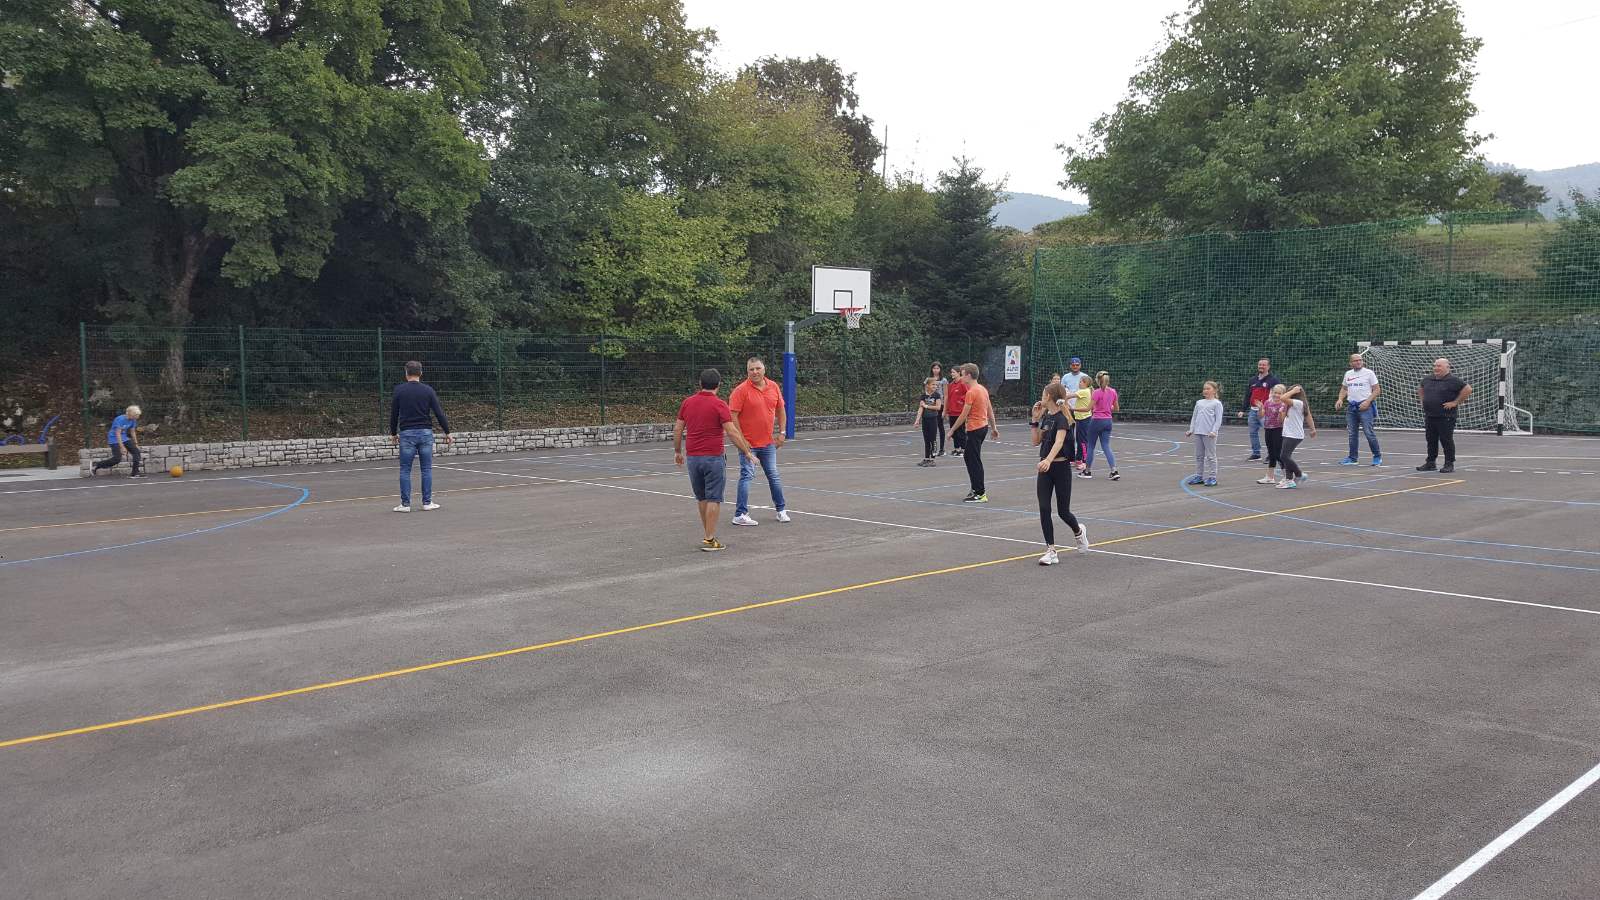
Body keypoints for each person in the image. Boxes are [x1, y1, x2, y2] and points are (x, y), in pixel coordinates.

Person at [675, 368, 758, 552]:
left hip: (693, 457)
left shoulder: (687, 403)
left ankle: (708, 534)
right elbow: (732, 432)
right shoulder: (719, 405)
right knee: (714, 498)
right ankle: (709, 538)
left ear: (700, 383)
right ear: (719, 385)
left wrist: (677, 451)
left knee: (702, 497)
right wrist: (746, 452)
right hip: (713, 457)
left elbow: (678, 428)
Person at [728, 357, 790, 526]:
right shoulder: (741, 390)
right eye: (751, 369)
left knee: (774, 476)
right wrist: (742, 440)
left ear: (764, 369)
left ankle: (781, 510)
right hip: (748, 445)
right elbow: (733, 416)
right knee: (747, 476)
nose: (754, 372)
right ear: (747, 371)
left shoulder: (773, 387)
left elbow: (781, 410)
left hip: (768, 443)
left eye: (757, 368)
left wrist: (782, 433)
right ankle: (740, 514)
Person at [1032, 382, 1089, 565]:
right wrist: (1034, 420)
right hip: (1045, 470)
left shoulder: (1062, 419)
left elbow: (1059, 442)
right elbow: (1035, 441)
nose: (1041, 397)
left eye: (1043, 394)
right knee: (1044, 508)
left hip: (1060, 468)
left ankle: (1079, 532)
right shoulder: (1046, 417)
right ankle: (1051, 550)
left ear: (1049, 396)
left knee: (1063, 512)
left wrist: (1048, 460)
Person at [389, 360, 453, 512]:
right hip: (425, 433)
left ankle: (405, 504)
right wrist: (447, 431)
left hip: (407, 433)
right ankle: (427, 502)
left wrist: (393, 433)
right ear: (421, 373)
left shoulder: (399, 391)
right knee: (426, 469)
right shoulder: (428, 390)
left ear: (406, 373)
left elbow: (394, 414)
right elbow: (439, 412)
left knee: (405, 470)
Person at [949, 363, 999, 502]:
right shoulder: (982, 389)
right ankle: (976, 488)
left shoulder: (971, 392)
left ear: (968, 375)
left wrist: (951, 430)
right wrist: (994, 427)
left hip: (975, 429)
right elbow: (989, 410)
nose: (961, 376)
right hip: (982, 427)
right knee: (970, 457)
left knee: (974, 460)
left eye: (962, 374)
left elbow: (963, 415)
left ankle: (980, 493)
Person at [1416, 357, 1471, 474]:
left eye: (1439, 366)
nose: (1436, 368)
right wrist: (1422, 400)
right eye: (1435, 366)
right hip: (1430, 415)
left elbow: (1467, 389)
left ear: (1447, 367)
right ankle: (1430, 463)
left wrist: (1455, 402)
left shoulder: (1454, 380)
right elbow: (1421, 388)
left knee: (1446, 440)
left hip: (1446, 416)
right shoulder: (1428, 379)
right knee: (1431, 440)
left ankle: (1449, 464)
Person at [1335, 353, 1383, 466]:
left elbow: (1377, 390)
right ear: (1350, 363)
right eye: (1356, 360)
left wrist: (1367, 402)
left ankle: (1377, 456)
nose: (1358, 362)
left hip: (1366, 407)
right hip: (1352, 407)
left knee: (1368, 432)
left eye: (1360, 360)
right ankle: (1353, 458)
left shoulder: (1369, 373)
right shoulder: (1348, 374)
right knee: (1352, 434)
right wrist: (1340, 399)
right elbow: (1344, 388)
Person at [1237, 358, 1282, 461]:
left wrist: (1277, 406)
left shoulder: (1273, 380)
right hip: (1253, 411)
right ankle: (1256, 453)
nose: (1261, 366)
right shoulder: (1253, 380)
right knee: (1253, 432)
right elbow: (1248, 395)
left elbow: (1280, 393)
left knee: (1270, 433)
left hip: (1267, 411)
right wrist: (1242, 410)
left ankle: (1272, 454)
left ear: (1268, 367)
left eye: (1263, 365)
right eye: (1260, 365)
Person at [1276, 384, 1317, 489]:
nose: (1288, 394)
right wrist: (1312, 429)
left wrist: (1293, 391)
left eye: (1290, 392)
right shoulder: (1291, 405)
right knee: (1286, 457)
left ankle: (1299, 474)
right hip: (1288, 433)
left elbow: (1283, 397)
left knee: (1284, 456)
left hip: (1294, 434)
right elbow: (1308, 416)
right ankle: (1289, 480)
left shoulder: (1298, 403)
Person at [1082, 370, 1120, 481]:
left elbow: (1088, 408)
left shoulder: (1096, 392)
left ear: (1098, 380)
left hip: (1097, 421)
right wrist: (1108, 407)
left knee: (1090, 446)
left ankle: (1087, 471)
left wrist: (1072, 408)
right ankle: (1114, 470)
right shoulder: (1113, 391)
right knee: (1106, 446)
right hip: (1108, 421)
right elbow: (1116, 408)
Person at [1185, 381, 1223, 486]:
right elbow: (1194, 417)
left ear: (1214, 391)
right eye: (1204, 389)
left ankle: (1212, 477)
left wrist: (1214, 431)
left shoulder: (1217, 403)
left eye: (1208, 389)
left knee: (1211, 456)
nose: (1205, 391)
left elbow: (1218, 420)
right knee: (1199, 456)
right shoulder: (1199, 402)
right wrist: (1191, 430)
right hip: (1198, 432)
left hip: (1209, 434)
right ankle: (1199, 476)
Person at [91, 404, 144, 477]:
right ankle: (97, 465)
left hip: (124, 438)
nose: (138, 417)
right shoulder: (120, 419)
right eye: (136, 415)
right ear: (131, 414)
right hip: (114, 439)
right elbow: (117, 434)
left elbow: (132, 431)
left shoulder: (133, 420)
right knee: (117, 459)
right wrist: (122, 447)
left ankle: (135, 473)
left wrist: (136, 443)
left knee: (136, 452)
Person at [1256, 384, 1289, 485]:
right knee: (1271, 454)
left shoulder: (1283, 405)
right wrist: (1260, 408)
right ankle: (1270, 477)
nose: (1276, 395)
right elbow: (1261, 416)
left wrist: (1280, 413)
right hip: (1268, 429)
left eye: (1279, 393)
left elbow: (1281, 421)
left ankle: (1287, 477)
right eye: (1275, 392)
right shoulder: (1267, 402)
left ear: (1283, 394)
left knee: (1278, 454)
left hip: (1278, 430)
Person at [912, 377, 945, 466]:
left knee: (933, 440)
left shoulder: (936, 395)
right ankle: (927, 458)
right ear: (927, 385)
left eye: (936, 385)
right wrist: (917, 420)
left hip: (933, 420)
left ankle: (932, 459)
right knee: (926, 440)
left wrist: (926, 406)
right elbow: (920, 408)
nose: (935, 386)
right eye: (933, 384)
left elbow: (938, 407)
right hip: (925, 420)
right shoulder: (923, 396)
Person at [1070, 373, 1094, 468]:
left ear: (1085, 383)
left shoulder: (1083, 391)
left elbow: (1069, 396)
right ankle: (1078, 459)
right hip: (1080, 419)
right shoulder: (1086, 391)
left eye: (1080, 382)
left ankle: (1085, 461)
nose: (1079, 383)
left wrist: (1061, 396)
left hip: (1084, 419)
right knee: (1079, 440)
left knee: (1083, 441)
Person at [944, 369, 969, 457]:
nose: (952, 374)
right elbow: (949, 398)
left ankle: (964, 449)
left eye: (953, 372)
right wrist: (947, 411)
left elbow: (968, 394)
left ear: (958, 373)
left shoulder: (963, 383)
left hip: (960, 412)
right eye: (951, 372)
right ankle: (957, 448)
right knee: (954, 432)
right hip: (952, 412)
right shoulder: (951, 385)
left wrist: (961, 400)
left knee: (961, 432)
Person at [930, 361, 950, 456]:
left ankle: (942, 449)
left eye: (937, 368)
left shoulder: (943, 380)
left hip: (940, 405)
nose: (936, 370)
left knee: (940, 426)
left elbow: (946, 395)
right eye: (934, 368)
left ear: (940, 369)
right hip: (931, 405)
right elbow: (926, 392)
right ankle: (933, 449)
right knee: (932, 427)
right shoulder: (928, 379)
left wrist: (945, 409)